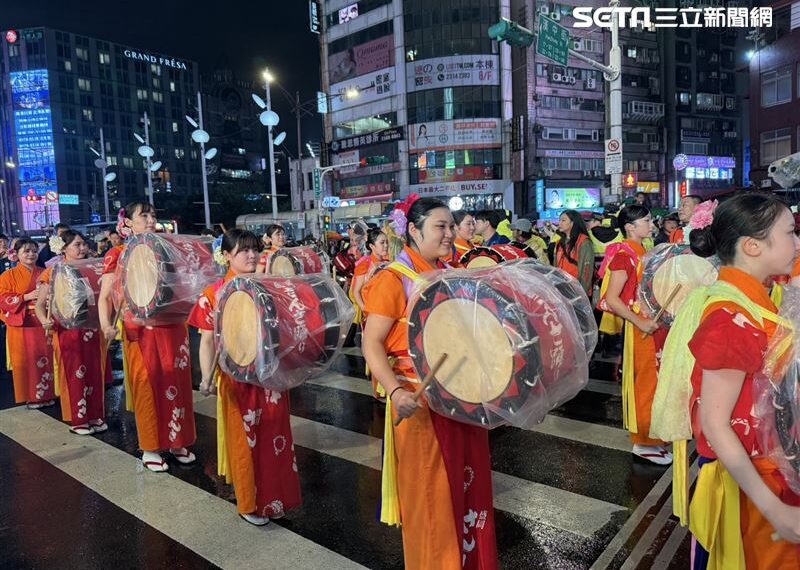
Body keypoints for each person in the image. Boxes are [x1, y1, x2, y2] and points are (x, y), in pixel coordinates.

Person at [664, 194, 800, 568]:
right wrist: (775, 509)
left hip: (770, 475)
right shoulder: (731, 315)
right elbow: (715, 424)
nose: (797, 243)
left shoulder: (754, 301)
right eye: (791, 233)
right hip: (751, 491)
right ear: (753, 246)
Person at [362, 197, 498, 569]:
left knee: (468, 491)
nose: (450, 234)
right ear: (414, 230)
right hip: (419, 403)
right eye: (441, 226)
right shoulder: (393, 279)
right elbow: (371, 343)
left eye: (452, 226)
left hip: (462, 397)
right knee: (431, 499)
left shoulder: (452, 273)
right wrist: (395, 390)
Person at [189, 229, 301, 526]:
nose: (252, 255)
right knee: (245, 441)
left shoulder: (271, 287)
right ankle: (249, 502)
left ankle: (274, 499)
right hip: (238, 380)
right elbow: (207, 341)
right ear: (226, 256)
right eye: (243, 251)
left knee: (276, 437)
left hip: (272, 377)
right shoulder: (213, 294)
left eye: (254, 249)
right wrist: (206, 377)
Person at [98, 201, 196, 472]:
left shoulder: (167, 246)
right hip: (141, 331)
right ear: (128, 222)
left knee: (178, 383)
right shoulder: (118, 253)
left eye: (153, 214)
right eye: (144, 215)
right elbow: (106, 296)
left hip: (173, 327)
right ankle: (151, 446)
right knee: (148, 386)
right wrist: (107, 324)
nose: (151, 220)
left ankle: (178, 440)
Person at [599, 205, 671, 465]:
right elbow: (612, 299)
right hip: (642, 328)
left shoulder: (643, 251)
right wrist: (640, 322)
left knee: (656, 381)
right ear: (630, 226)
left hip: (652, 325)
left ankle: (654, 437)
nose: (651, 225)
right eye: (646, 220)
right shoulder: (624, 254)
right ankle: (643, 441)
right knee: (645, 383)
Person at [34, 230, 110, 435]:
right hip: (68, 330)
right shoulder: (52, 272)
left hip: (92, 327)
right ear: (63, 248)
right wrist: (44, 320)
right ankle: (78, 419)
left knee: (95, 371)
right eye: (77, 245)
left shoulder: (94, 267)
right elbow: (40, 305)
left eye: (84, 244)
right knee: (75, 373)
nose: (83, 248)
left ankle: (95, 415)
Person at [0, 238, 56, 408]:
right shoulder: (7, 275)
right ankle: (31, 396)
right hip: (22, 323)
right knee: (26, 360)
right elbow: (2, 299)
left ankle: (49, 393)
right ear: (16, 255)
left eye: (33, 250)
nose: (31, 254)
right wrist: (26, 297)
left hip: (43, 321)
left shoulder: (46, 271)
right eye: (26, 251)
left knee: (46, 357)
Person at [555, 210, 595, 297]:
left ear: (573, 223)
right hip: (562, 290)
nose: (559, 223)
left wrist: (581, 295)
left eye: (563, 220)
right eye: (559, 220)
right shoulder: (559, 243)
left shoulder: (584, 242)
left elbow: (586, 271)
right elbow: (555, 267)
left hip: (577, 292)